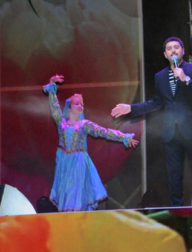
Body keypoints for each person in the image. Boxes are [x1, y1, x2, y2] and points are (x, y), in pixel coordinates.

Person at [111, 37, 192, 206]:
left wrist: (186, 79)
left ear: (182, 50)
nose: (173, 50)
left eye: (176, 47)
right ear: (165, 54)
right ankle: (178, 216)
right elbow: (156, 103)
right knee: (174, 178)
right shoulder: (160, 77)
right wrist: (131, 108)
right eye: (169, 48)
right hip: (171, 135)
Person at [44, 75, 138, 211]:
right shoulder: (62, 123)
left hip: (78, 163)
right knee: (65, 195)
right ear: (69, 108)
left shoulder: (84, 125)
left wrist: (123, 136)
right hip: (65, 164)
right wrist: (52, 86)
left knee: (75, 197)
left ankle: (76, 219)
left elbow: (104, 132)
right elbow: (54, 107)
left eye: (82, 104)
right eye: (76, 103)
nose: (80, 105)